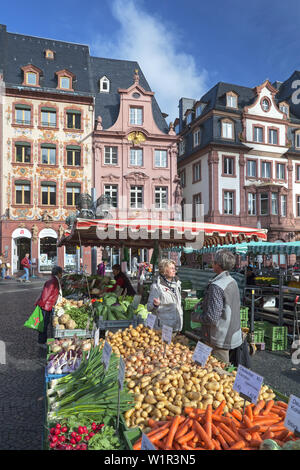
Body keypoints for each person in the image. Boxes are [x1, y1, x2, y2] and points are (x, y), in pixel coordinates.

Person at [192, 249, 242, 363]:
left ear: (218, 265)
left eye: (214, 261)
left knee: (219, 371)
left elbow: (212, 317)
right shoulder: (232, 281)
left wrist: (195, 316)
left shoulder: (217, 286)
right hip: (231, 333)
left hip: (219, 337)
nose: (212, 263)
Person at [147, 259, 183, 331]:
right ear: (164, 271)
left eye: (174, 268)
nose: (174, 270)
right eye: (171, 268)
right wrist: (155, 305)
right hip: (164, 327)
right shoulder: (157, 287)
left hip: (177, 326)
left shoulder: (177, 285)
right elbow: (149, 307)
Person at [35, 266, 63, 346]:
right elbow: (45, 295)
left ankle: (43, 340)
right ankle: (41, 342)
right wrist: (41, 305)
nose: (62, 275)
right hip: (45, 306)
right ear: (58, 273)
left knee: (45, 324)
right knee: (43, 324)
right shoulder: (52, 282)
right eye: (61, 273)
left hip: (48, 306)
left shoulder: (54, 280)